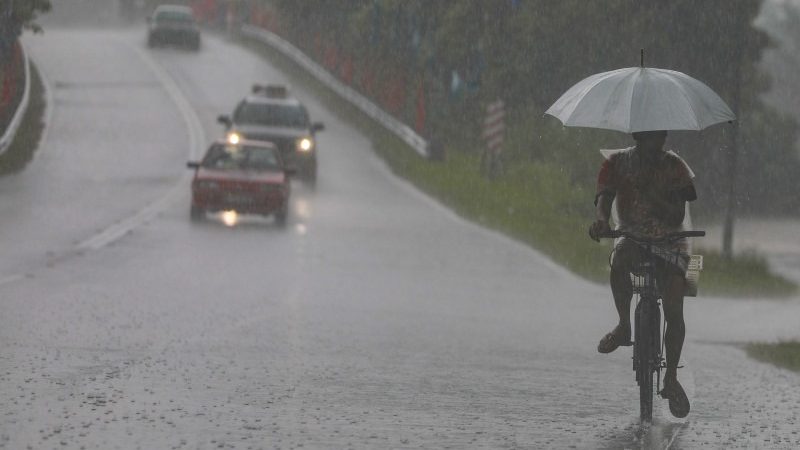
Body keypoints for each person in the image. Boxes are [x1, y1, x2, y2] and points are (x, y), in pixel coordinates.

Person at [588, 130, 697, 418]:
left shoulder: (675, 167)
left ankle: (671, 376)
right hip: (633, 237)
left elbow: (676, 217)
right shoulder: (617, 163)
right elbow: (603, 199)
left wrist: (653, 195)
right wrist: (600, 220)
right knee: (619, 261)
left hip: (671, 241)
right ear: (638, 135)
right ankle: (624, 325)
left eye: (660, 135)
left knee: (675, 305)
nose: (657, 141)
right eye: (650, 135)